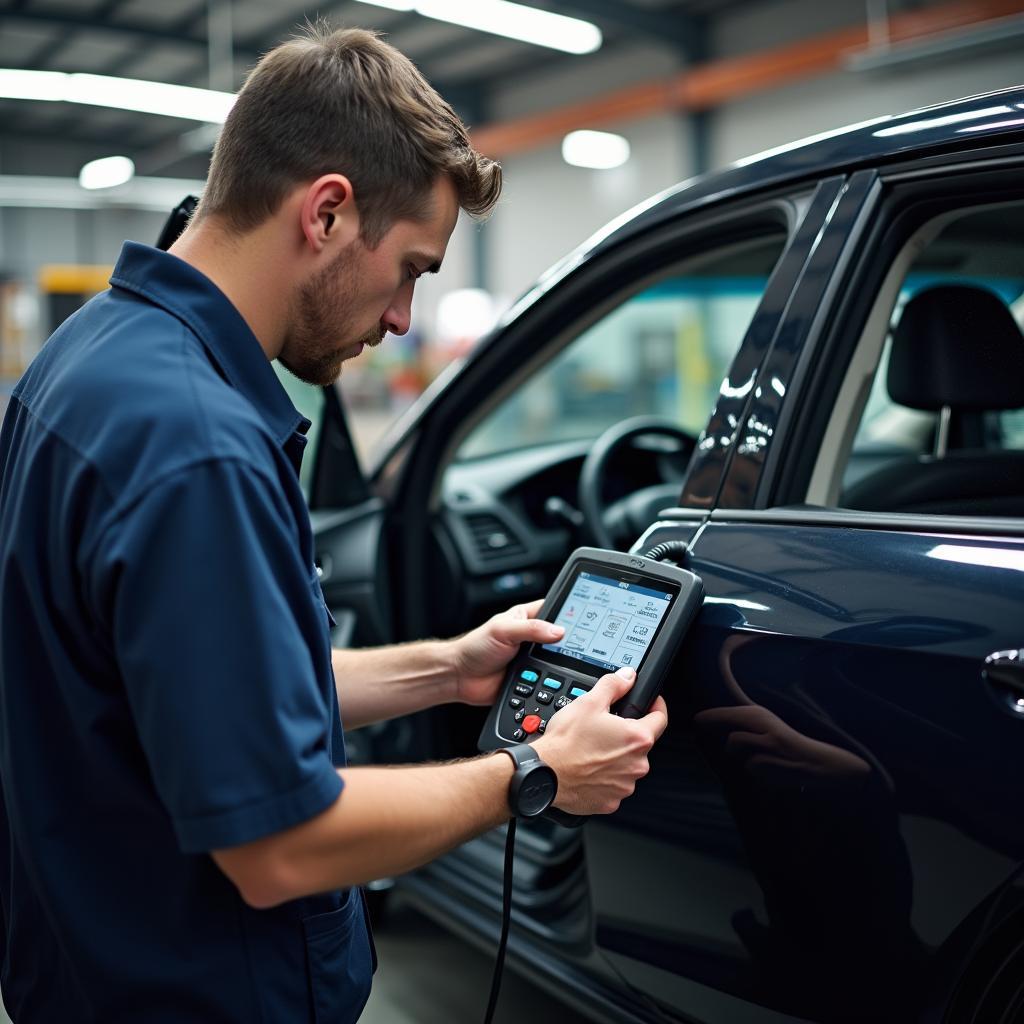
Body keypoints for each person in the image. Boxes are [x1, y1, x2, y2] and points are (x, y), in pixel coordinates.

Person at [0, 25, 668, 1023]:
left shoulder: (89, 357)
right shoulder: (200, 448)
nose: (403, 317)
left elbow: (197, 693)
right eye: (410, 268)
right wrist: (533, 772)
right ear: (325, 213)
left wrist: (446, 666)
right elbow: (283, 846)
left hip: (87, 965)